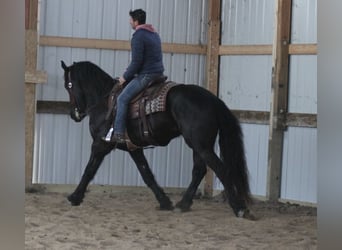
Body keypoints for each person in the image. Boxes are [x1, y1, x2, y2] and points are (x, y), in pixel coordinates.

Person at [102, 9, 164, 143]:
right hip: (158, 73)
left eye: (131, 20)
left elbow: (136, 62)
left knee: (122, 99)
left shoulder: (138, 36)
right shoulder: (154, 34)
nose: (129, 22)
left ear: (136, 21)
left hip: (147, 74)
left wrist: (124, 77)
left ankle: (118, 133)